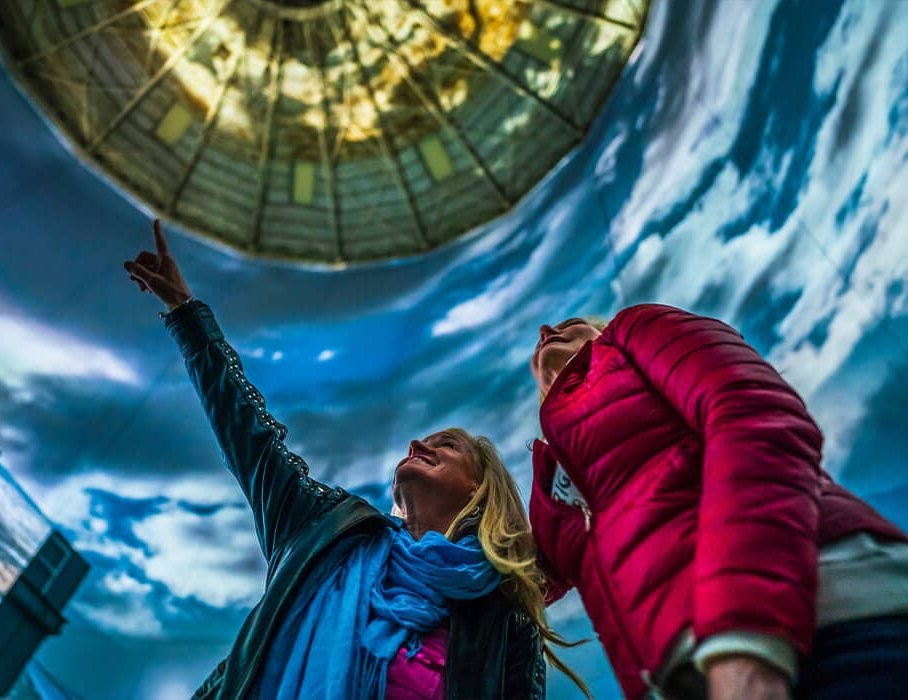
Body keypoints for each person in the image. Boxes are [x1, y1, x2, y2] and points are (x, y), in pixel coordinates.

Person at [123, 220, 586, 700]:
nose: (418, 445)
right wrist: (185, 312)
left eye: (447, 444)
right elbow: (249, 436)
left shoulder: (504, 622)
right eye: (422, 441)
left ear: (480, 488)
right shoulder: (327, 531)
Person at [526, 304, 908, 700]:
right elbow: (515, 580)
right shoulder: (551, 479)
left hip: (828, 622)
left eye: (572, 324)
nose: (546, 328)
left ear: (599, 331)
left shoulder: (633, 333)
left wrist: (745, 641)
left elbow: (752, 414)